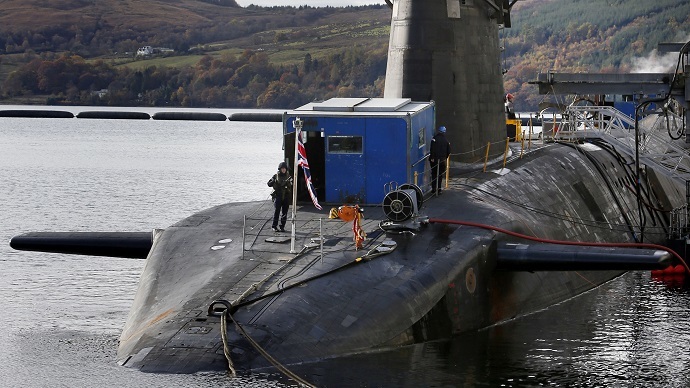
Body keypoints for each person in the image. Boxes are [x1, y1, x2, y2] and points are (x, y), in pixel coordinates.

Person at [267, 161, 293, 232]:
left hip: (286, 196)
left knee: (285, 213)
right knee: (277, 212)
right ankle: (274, 226)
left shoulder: (288, 176)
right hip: (278, 196)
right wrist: (273, 181)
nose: (283, 170)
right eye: (282, 169)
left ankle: (282, 226)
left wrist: (289, 183)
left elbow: (292, 184)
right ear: (280, 169)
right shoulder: (275, 176)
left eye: (284, 168)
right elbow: (269, 184)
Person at [429, 126, 451, 195]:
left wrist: (432, 157)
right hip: (442, 160)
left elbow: (432, 149)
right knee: (440, 175)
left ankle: (433, 189)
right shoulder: (446, 141)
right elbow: (449, 151)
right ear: (444, 132)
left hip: (434, 160)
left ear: (438, 131)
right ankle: (439, 189)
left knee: (434, 174)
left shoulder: (434, 139)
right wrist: (445, 157)